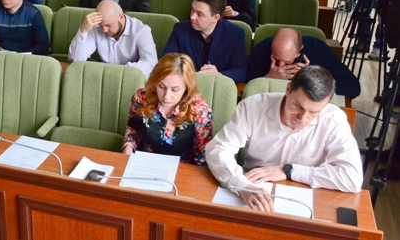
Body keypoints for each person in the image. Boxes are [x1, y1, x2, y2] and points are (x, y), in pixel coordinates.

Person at [206, 65, 363, 211]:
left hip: (304, 195)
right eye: (298, 106)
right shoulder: (253, 107)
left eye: (314, 112)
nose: (303, 118)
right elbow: (218, 150)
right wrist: (242, 186)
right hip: (254, 187)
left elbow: (352, 178)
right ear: (288, 89)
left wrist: (289, 171)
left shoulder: (334, 120)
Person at [122, 53, 213, 164]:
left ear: (187, 88)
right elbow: (133, 131)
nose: (166, 96)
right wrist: (127, 155)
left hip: (182, 169)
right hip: (143, 163)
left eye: (175, 90)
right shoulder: (142, 98)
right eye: (161, 86)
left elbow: (202, 157)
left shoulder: (201, 112)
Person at [162, 0, 247, 83]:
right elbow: (165, 62)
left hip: (216, 86)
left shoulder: (235, 34)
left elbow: (241, 71)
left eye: (199, 14)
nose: (192, 17)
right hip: (184, 85)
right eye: (192, 10)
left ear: (216, 18)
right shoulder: (180, 29)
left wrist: (219, 75)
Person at [247, 28, 360, 97]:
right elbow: (245, 86)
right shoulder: (263, 48)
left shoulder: (319, 49)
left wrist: (310, 79)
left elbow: (353, 87)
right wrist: (267, 78)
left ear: (300, 50)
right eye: (275, 58)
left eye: (287, 61)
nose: (281, 66)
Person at [68, 0, 157, 79]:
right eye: (101, 25)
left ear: (121, 17)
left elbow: (151, 62)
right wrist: (83, 30)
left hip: (131, 79)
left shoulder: (141, 30)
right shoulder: (96, 28)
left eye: (108, 25)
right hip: (104, 79)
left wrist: (119, 72)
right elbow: (75, 60)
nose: (104, 30)